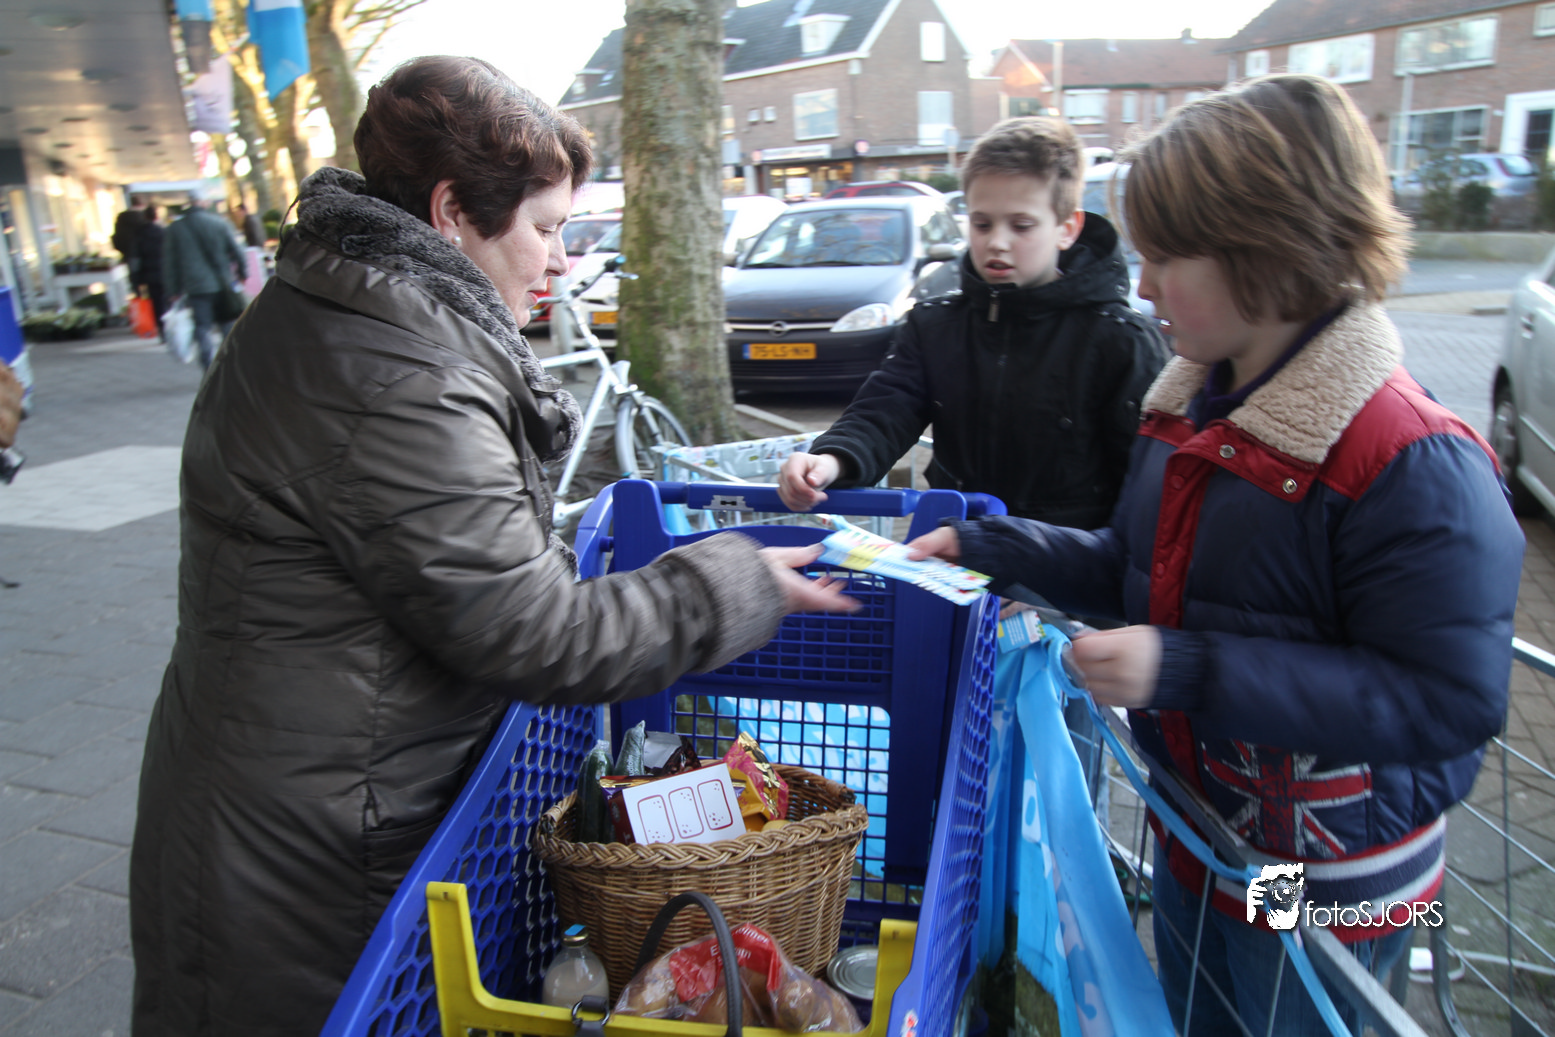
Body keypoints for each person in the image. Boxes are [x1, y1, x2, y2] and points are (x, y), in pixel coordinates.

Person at [128, 55, 856, 1037]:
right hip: (317, 837)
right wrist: (729, 583)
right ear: (450, 213)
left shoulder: (345, 307)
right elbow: (532, 630)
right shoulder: (400, 374)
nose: (559, 261)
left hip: (291, 787)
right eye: (544, 228)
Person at [907, 74, 1523, 1035]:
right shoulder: (1191, 405)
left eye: (1164, 258)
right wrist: (992, 544)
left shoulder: (1405, 456)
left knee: (1283, 1015)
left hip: (1321, 880)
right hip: (1200, 839)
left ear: (1265, 250)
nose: (1143, 285)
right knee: (1203, 1013)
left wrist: (1182, 667)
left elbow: (1444, 698)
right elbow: (1134, 565)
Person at [776, 115, 1166, 533]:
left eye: (1021, 225)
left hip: (1065, 564)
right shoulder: (934, 325)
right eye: (982, 224)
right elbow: (885, 409)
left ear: (1066, 228)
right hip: (950, 548)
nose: (997, 241)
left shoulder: (1120, 341)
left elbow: (1145, 490)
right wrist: (832, 459)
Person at [162, 193, 245, 369]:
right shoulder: (219, 223)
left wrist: (173, 289)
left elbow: (170, 262)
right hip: (222, 283)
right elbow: (237, 250)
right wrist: (242, 273)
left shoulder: (175, 228)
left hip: (196, 286)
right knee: (227, 325)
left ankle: (208, 366)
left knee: (202, 327)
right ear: (205, 203)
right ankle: (231, 364)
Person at [135, 204, 167, 341]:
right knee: (167, 301)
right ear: (156, 216)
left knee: (156, 303)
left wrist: (135, 279)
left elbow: (135, 257)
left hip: (148, 274)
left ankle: (161, 329)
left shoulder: (139, 234)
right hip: (165, 272)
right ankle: (169, 327)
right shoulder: (163, 232)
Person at [112, 194, 148, 281]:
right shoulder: (143, 219)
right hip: (144, 257)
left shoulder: (121, 218)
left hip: (126, 254)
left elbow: (117, 237)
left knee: (131, 280)